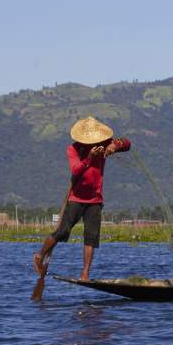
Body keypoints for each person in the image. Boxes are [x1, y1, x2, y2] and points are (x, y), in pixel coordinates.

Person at [33, 116, 131, 280]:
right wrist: (89, 159)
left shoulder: (104, 143)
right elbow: (76, 170)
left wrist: (115, 145)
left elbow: (127, 143)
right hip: (77, 198)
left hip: (95, 200)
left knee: (91, 238)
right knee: (62, 232)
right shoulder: (73, 149)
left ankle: (85, 273)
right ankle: (39, 255)